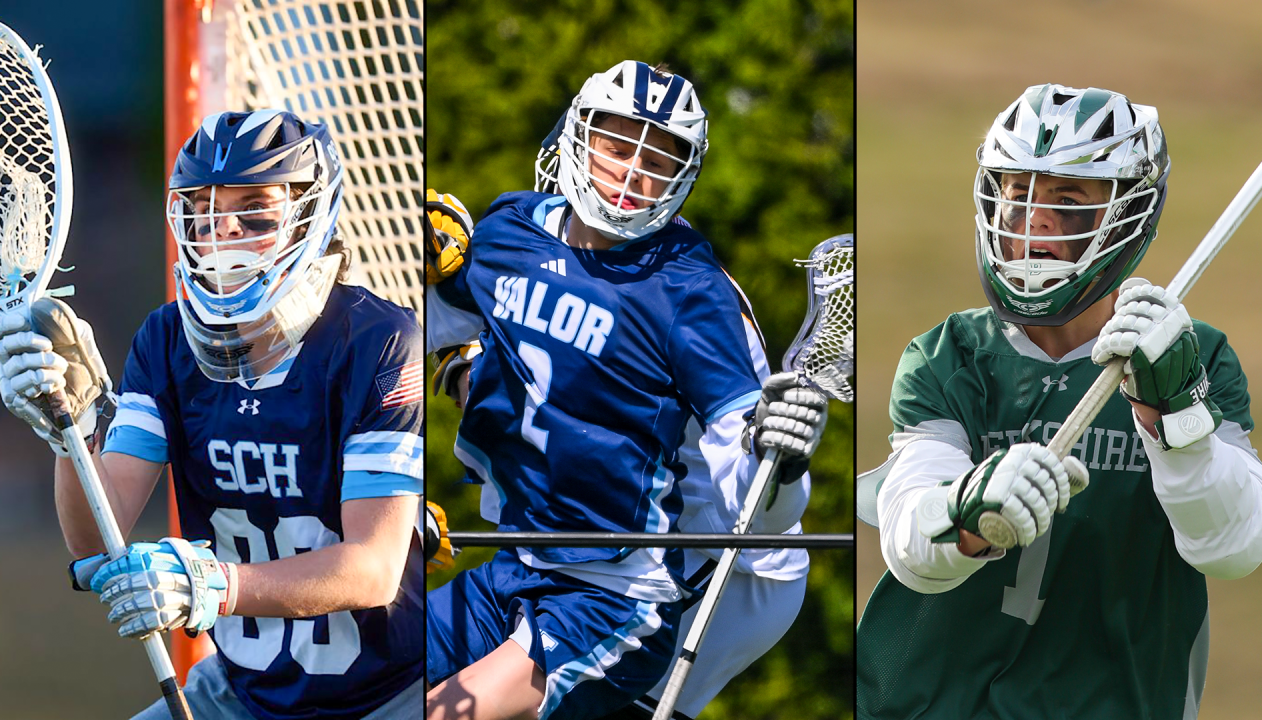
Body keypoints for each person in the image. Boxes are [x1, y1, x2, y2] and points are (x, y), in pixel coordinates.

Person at [855, 83, 1262, 719]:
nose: (1035, 220)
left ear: (1128, 213)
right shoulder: (949, 356)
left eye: (1069, 200)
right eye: (1018, 194)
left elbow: (1236, 547)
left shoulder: (1195, 356)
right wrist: (969, 510)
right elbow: (911, 545)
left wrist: (1174, 417)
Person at [425, 60, 828, 720]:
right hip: (535, 557)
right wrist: (426, 281)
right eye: (617, 146)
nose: (632, 175)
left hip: (710, 562)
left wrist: (783, 466)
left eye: (658, 161)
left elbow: (754, 502)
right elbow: (463, 347)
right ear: (578, 136)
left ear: (684, 176)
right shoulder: (512, 233)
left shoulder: (692, 297)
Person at [0, 109, 424, 719]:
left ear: (309, 215)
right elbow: (96, 538)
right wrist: (72, 433)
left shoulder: (379, 343)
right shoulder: (166, 339)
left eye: (254, 210)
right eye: (204, 211)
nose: (222, 233)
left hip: (385, 698)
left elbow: (373, 568)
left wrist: (212, 584)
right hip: (240, 693)